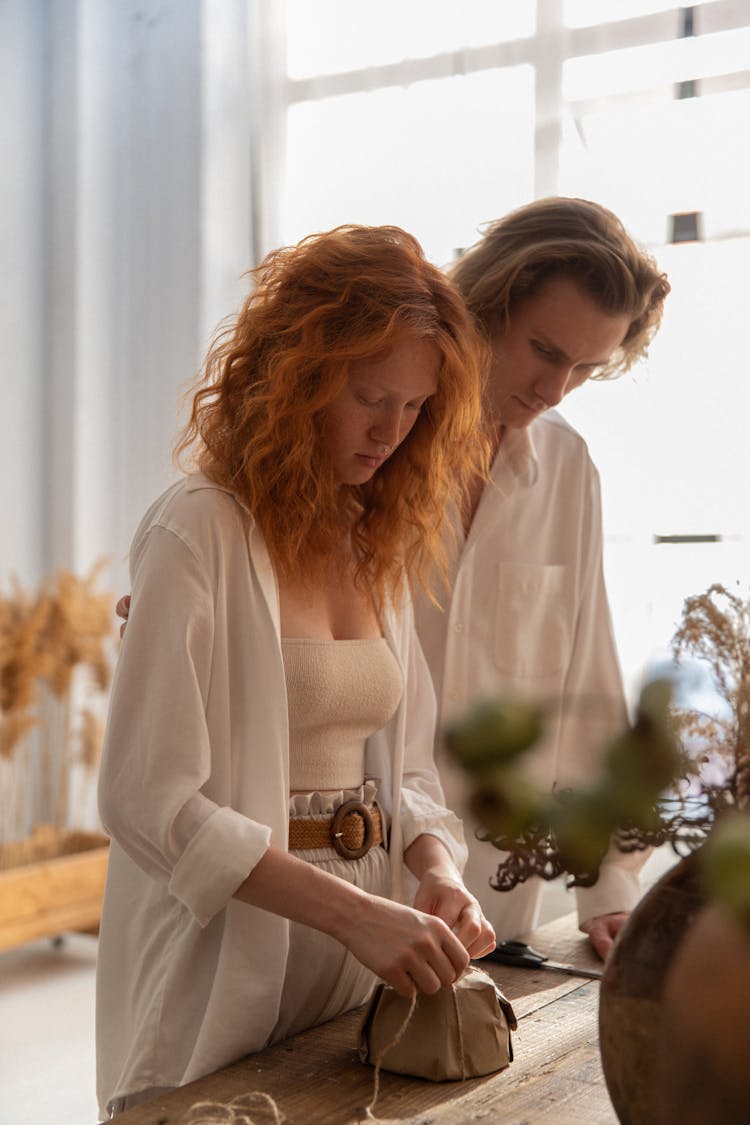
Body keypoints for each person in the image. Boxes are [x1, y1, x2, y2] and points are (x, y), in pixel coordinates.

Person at [96, 224, 496, 1119]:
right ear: (296, 375)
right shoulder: (196, 528)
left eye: (415, 407)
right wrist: (350, 912)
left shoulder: (373, 537)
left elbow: (413, 770)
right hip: (221, 953)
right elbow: (145, 797)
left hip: (355, 959)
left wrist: (436, 868)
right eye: (369, 395)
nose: (390, 431)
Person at [414, 196, 671, 961]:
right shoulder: (375, 437)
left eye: (587, 368)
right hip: (357, 879)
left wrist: (610, 887)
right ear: (486, 306)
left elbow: (585, 672)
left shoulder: (567, 468)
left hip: (495, 899)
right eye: (545, 351)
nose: (557, 388)